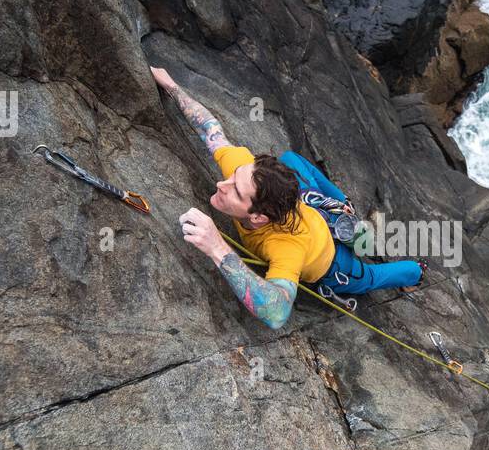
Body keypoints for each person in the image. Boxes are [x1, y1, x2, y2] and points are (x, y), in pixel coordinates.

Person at [151, 67, 423, 328]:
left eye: (235, 190)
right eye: (234, 177)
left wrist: (216, 247)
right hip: (314, 207)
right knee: (290, 159)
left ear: (258, 216)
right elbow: (210, 130)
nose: (223, 183)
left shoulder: (286, 246)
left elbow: (277, 313)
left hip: (334, 263)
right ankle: (348, 214)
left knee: (372, 276)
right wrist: (171, 86)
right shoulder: (245, 174)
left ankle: (416, 272)